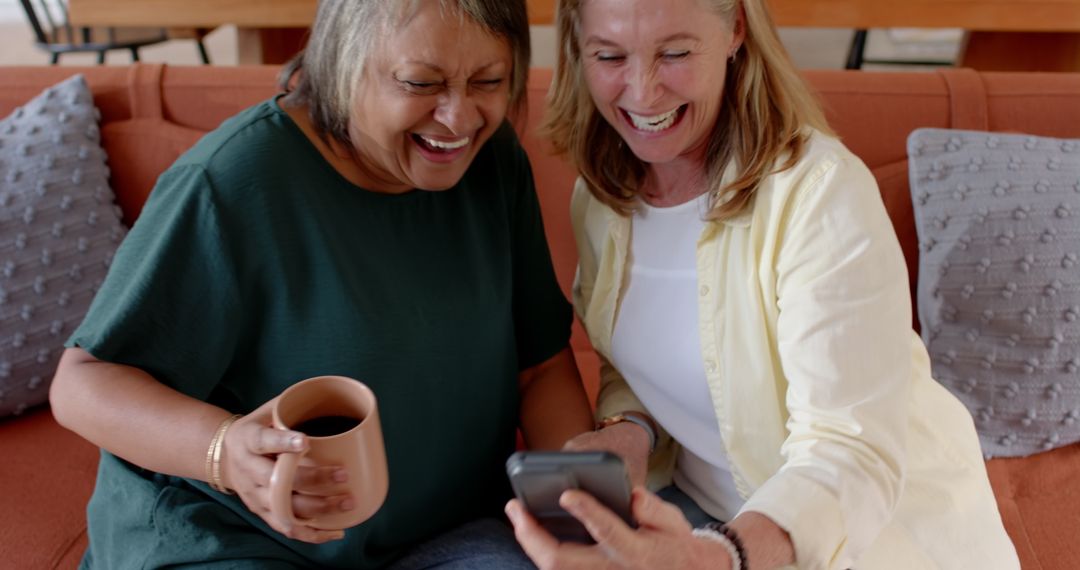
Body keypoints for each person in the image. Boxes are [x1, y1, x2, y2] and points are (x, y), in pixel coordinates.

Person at [48, 0, 594, 568]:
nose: (459, 118)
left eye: (489, 81)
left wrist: (580, 517)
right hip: (232, 540)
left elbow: (541, 366)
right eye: (420, 83)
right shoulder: (231, 181)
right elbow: (83, 383)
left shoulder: (493, 159)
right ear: (340, 64)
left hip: (444, 535)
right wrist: (225, 452)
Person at [504, 0, 1022, 568]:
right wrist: (630, 432)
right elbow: (641, 363)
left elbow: (848, 450)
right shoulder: (604, 199)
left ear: (735, 30)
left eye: (675, 53)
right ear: (577, 48)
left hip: (878, 544)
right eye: (610, 56)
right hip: (709, 521)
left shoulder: (820, 192)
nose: (643, 92)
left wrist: (719, 556)